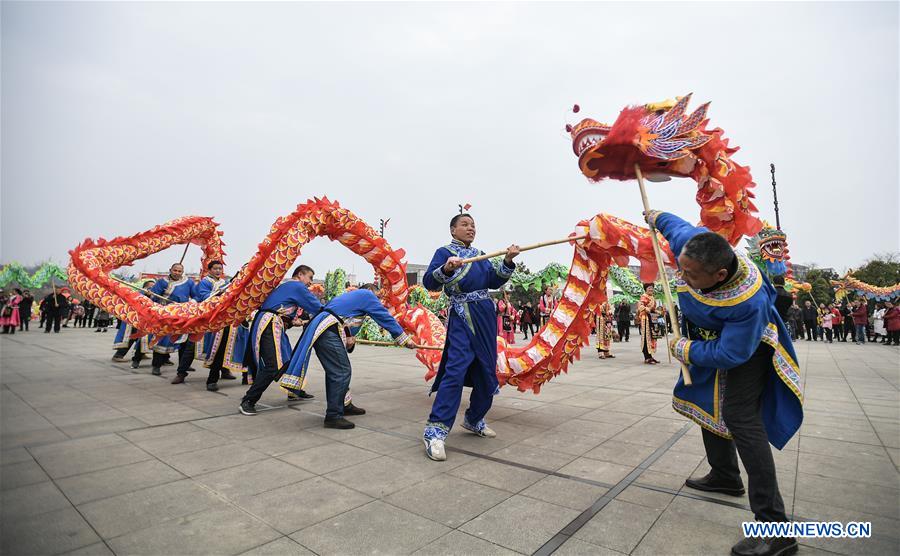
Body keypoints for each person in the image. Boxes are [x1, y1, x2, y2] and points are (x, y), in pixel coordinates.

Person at [648, 210, 802, 556]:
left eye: (691, 275)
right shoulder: (691, 244)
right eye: (681, 269)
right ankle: (725, 474)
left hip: (749, 348)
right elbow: (673, 224)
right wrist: (655, 215)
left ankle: (775, 527)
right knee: (705, 400)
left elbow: (732, 353)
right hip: (709, 338)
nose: (682, 278)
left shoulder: (749, 302)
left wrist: (685, 348)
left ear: (719, 274)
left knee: (739, 417)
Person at [421, 213, 519, 461]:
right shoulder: (444, 252)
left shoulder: (481, 254)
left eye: (473, 225)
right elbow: (429, 282)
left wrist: (507, 260)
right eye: (464, 224)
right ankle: (435, 430)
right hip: (463, 317)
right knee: (455, 371)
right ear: (453, 230)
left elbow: (493, 280)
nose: (470, 228)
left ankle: (474, 418)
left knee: (488, 370)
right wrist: (447, 268)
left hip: (485, 316)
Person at [281, 283, 416, 428]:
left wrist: (349, 338)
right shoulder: (367, 295)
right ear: (370, 291)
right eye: (377, 297)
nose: (378, 301)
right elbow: (384, 318)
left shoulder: (351, 300)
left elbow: (345, 322)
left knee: (336, 371)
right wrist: (403, 338)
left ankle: (345, 404)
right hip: (327, 330)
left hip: (326, 328)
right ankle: (333, 415)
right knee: (341, 371)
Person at [239, 265, 323, 416]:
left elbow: (283, 309)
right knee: (273, 365)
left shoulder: (286, 285)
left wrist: (291, 321)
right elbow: (316, 306)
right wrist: (332, 312)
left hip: (272, 322)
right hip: (270, 323)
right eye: (309, 277)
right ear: (300, 274)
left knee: (288, 360)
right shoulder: (296, 285)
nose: (310, 282)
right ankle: (248, 401)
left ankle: (293, 390)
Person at [196, 261, 242, 391]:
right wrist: (224, 292)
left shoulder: (226, 283)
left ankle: (227, 371)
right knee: (219, 349)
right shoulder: (207, 282)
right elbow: (205, 297)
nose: (218, 271)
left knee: (231, 348)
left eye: (220, 269)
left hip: (233, 319)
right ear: (209, 270)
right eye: (215, 268)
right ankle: (210, 379)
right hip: (216, 319)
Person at [149, 263, 197, 380]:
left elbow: (196, 296)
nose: (177, 273)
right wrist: (151, 294)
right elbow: (153, 298)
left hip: (182, 315)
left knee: (184, 342)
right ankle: (156, 365)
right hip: (165, 314)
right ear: (170, 270)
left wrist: (191, 303)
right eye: (175, 270)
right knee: (161, 340)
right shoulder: (162, 282)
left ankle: (183, 366)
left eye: (179, 271)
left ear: (182, 272)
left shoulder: (189, 282)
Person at [637, 284, 659, 364]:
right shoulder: (644, 296)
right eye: (649, 288)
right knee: (647, 337)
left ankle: (650, 356)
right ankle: (647, 357)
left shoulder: (652, 297)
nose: (651, 289)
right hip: (645, 319)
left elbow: (653, 309)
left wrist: (659, 311)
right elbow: (640, 306)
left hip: (652, 319)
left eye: (652, 288)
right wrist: (646, 308)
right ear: (646, 289)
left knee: (652, 337)